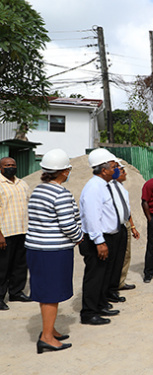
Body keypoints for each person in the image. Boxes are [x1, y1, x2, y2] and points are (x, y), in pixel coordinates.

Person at [26, 149, 82, 353]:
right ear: (64, 172)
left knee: (46, 291)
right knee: (51, 293)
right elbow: (68, 224)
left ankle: (50, 330)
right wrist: (79, 237)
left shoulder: (37, 190)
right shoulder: (61, 193)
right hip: (53, 251)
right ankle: (47, 337)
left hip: (36, 248)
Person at [79, 148, 124, 325]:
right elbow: (92, 217)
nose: (116, 169)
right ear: (104, 169)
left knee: (105, 274)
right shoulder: (93, 187)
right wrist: (99, 241)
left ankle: (100, 304)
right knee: (95, 276)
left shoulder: (104, 185)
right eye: (113, 166)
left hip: (108, 237)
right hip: (97, 239)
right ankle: (89, 313)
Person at [0, 156, 31, 310]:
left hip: (22, 230)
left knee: (20, 265)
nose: (10, 167)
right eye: (7, 165)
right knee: (2, 267)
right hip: (5, 233)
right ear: (1, 167)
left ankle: (16, 292)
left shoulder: (23, 184)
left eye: (13, 164)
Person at [113, 161, 140, 292]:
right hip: (115, 227)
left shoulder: (121, 188)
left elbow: (126, 210)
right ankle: (114, 285)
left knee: (126, 255)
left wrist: (133, 227)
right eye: (122, 171)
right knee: (117, 257)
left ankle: (120, 282)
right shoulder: (111, 188)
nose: (125, 173)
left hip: (125, 225)